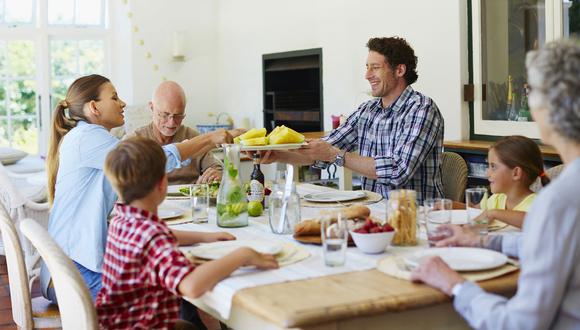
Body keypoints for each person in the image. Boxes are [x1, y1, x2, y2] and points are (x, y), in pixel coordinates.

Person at [411, 39, 580, 329]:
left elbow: (518, 325)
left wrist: (455, 284)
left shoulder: (560, 201)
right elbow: (552, 247)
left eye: (530, 91)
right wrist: (481, 240)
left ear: (548, 106)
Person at [43, 74, 238, 303]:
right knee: (166, 294)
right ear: (94, 107)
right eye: (114, 97)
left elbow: (150, 235)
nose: (123, 103)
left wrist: (205, 238)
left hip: (69, 267)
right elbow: (149, 162)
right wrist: (209, 139)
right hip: (72, 274)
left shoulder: (87, 137)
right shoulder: (88, 138)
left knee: (166, 290)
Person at [96, 137, 278, 329]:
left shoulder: (122, 219)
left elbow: (160, 236)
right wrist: (243, 255)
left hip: (117, 322)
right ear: (162, 184)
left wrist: (204, 237)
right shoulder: (153, 237)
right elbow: (190, 287)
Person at [262, 37, 444, 203]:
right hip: (374, 212)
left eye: (375, 67)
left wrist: (336, 155)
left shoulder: (422, 109)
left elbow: (398, 170)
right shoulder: (367, 110)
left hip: (416, 217)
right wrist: (277, 155)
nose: (367, 75)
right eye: (367, 67)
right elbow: (323, 148)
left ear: (399, 70)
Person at [132, 81, 228, 184]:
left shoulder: (193, 137)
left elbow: (216, 167)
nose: (171, 122)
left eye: (178, 116)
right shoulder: (135, 140)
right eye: (165, 114)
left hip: (190, 198)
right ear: (152, 107)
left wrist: (217, 173)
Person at [475, 135, 549, 229]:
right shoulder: (497, 199)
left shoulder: (537, 205)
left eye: (493, 166)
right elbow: (474, 212)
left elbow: (535, 221)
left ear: (516, 173)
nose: (487, 173)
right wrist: (451, 203)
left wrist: (494, 213)